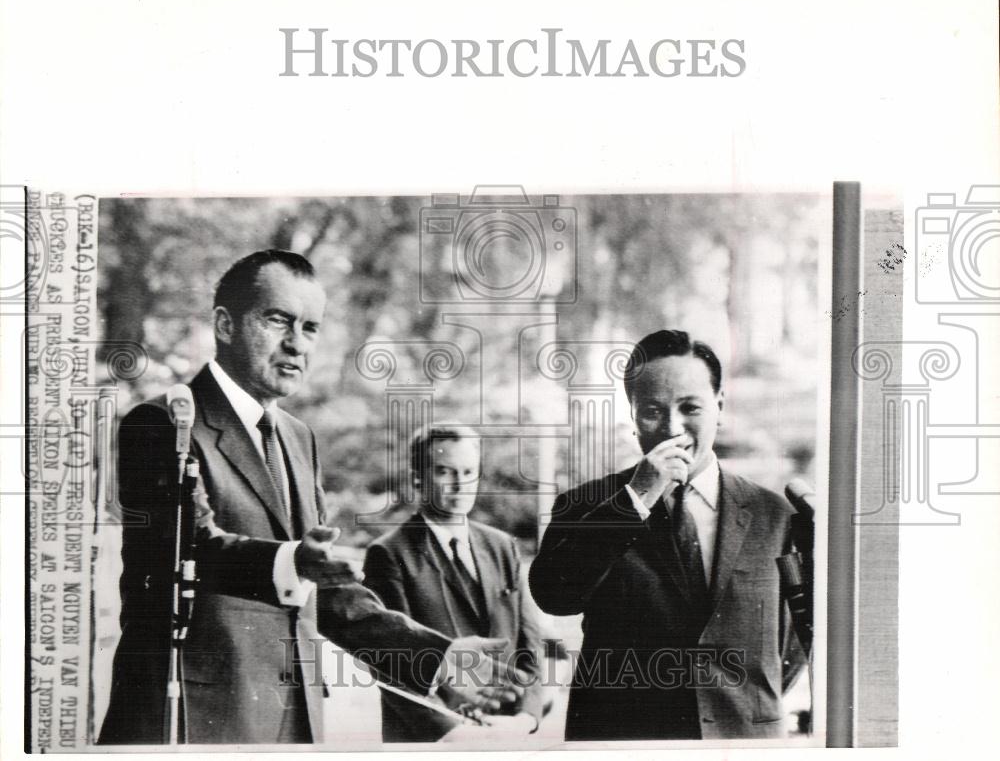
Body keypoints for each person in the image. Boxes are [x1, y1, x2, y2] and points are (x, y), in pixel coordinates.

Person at [99, 250, 523, 745]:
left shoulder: (299, 438)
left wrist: (436, 655)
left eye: (311, 328)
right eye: (277, 320)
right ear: (225, 324)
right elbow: (186, 552)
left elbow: (328, 591)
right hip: (194, 717)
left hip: (293, 720)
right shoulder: (164, 423)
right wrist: (293, 561)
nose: (296, 344)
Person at [528, 329, 806, 741]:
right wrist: (637, 497)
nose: (672, 428)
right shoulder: (585, 505)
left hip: (741, 739)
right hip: (623, 739)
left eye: (690, 407)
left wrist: (742, 704)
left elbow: (794, 644)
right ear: (633, 416)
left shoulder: (775, 515)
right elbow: (555, 595)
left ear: (720, 407)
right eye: (653, 411)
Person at [363, 424, 545, 742]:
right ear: (418, 478)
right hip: (432, 740)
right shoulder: (389, 553)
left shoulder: (502, 545)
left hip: (507, 734)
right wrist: (452, 732)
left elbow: (531, 642)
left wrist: (526, 718)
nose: (460, 484)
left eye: (469, 472)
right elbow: (389, 663)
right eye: (445, 472)